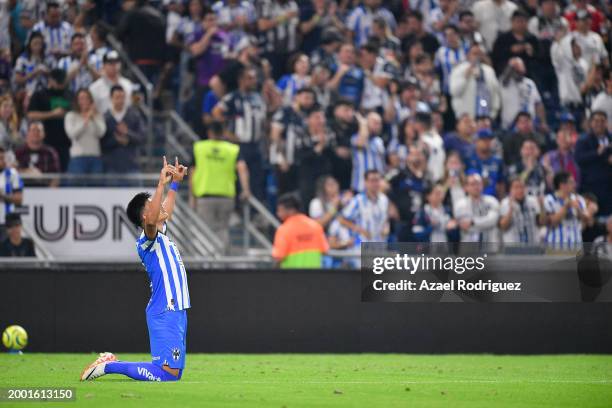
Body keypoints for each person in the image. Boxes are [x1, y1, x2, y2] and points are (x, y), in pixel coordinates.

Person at [81, 157, 190, 382]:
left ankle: (111, 364)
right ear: (144, 216)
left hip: (176, 308)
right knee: (167, 374)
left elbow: (165, 211)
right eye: (154, 204)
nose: (160, 205)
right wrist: (160, 184)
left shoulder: (160, 232)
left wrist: (175, 184)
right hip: (165, 309)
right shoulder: (147, 240)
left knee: (173, 373)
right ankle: (110, 366)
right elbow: (152, 221)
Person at [190, 121, 251, 253]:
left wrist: (192, 195)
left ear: (209, 133)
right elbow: (242, 168)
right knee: (223, 229)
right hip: (226, 195)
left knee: (205, 229)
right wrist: (246, 190)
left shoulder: (199, 147)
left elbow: (192, 172)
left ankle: (208, 260)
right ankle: (222, 257)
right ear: (223, 133)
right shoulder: (233, 149)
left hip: (204, 196)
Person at [26, 68, 72, 171]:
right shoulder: (40, 94)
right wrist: (52, 114)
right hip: (46, 141)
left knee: (65, 173)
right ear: (50, 80)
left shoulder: (69, 94)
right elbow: (31, 114)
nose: (60, 85)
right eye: (58, 82)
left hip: (67, 142)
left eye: (62, 82)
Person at [272, 193, 329, 268]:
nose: (278, 214)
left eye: (280, 210)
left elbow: (278, 257)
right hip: (315, 277)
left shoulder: (284, 229)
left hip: (292, 277)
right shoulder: (315, 226)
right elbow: (324, 251)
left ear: (291, 210)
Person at [449, 43, 501, 119]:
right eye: (474, 54)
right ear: (468, 55)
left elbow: (496, 93)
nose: (477, 57)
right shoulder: (458, 70)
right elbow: (454, 92)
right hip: (466, 117)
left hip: (486, 117)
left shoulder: (489, 71)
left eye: (479, 54)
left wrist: (493, 113)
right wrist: (465, 77)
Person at [575, 111, 612, 216]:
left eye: (602, 121)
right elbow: (578, 158)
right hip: (591, 187)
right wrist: (597, 153)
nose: (599, 123)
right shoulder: (583, 140)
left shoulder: (610, 138)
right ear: (591, 123)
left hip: (609, 186)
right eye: (596, 121)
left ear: (606, 123)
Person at [101, 85, 144, 174]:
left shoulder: (134, 116)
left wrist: (127, 133)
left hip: (131, 164)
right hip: (111, 166)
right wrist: (116, 140)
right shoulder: (105, 118)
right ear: (111, 98)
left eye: (122, 97)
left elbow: (142, 138)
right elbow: (101, 142)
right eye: (117, 97)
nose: (120, 100)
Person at [340, 169, 389, 244]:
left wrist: (386, 228)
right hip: (362, 244)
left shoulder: (384, 199)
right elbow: (342, 219)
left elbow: (385, 218)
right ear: (366, 182)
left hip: (380, 243)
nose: (375, 184)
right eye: (372, 180)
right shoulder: (357, 201)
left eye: (377, 180)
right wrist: (360, 230)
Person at [543, 171, 590, 249]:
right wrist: (566, 207)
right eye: (571, 182)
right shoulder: (549, 200)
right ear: (562, 185)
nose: (575, 185)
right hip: (555, 246)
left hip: (575, 245)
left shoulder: (579, 199)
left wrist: (578, 210)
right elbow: (551, 222)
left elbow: (587, 219)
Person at [64, 88, 106, 175]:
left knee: (96, 187)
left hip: (95, 157)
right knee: (77, 187)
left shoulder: (97, 116)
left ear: (91, 100)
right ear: (77, 101)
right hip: (78, 158)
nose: (84, 101)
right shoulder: (71, 116)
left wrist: (93, 118)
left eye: (87, 98)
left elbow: (101, 133)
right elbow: (72, 134)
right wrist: (85, 120)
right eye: (81, 98)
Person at [499, 57, 547, 131]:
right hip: (509, 127)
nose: (518, 70)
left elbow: (538, 104)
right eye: (515, 67)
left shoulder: (529, 83)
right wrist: (511, 66)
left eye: (520, 66)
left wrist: (543, 122)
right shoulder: (504, 84)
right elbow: (504, 77)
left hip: (530, 126)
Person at [454, 173, 500, 243]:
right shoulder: (460, 204)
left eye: (478, 183)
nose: (476, 187)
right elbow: (465, 226)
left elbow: (492, 221)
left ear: (482, 185)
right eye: (472, 184)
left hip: (490, 245)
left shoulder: (492, 201)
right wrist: (484, 223)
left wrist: (473, 222)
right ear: (466, 187)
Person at [499, 177, 545, 245]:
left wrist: (542, 207)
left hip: (532, 245)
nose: (520, 190)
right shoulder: (505, 203)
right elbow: (503, 227)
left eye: (522, 187)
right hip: (513, 248)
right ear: (510, 189)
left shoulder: (533, 201)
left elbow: (541, 223)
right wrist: (510, 210)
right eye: (516, 187)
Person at [15, 121, 61, 186]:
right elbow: (12, 172)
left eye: (39, 130)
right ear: (27, 133)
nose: (36, 133)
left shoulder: (51, 152)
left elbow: (56, 177)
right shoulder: (18, 152)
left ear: (44, 134)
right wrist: (27, 172)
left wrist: (50, 193)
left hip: (43, 190)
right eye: (33, 130)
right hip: (21, 191)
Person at [350, 112, 385, 193]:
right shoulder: (355, 138)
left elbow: (381, 165)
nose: (378, 126)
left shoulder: (379, 141)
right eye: (375, 123)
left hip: (377, 187)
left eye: (379, 123)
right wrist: (363, 124)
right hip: (360, 187)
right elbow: (361, 143)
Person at [466, 129, 505, 198]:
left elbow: (501, 183)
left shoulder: (497, 161)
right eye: (483, 140)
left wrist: (500, 199)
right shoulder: (469, 160)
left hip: (493, 199)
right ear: (476, 142)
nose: (487, 142)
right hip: (474, 199)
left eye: (489, 140)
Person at [0, 147, 23, 242]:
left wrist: (2, 196)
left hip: (6, 222)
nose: (1, 161)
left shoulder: (12, 174)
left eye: (2, 158)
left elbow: (19, 198)